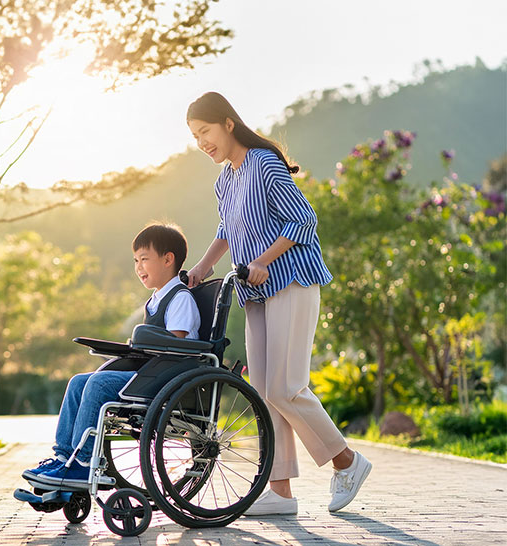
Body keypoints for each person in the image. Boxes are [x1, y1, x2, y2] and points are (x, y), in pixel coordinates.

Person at [185, 91, 371, 515]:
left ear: (228, 123)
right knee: (266, 392)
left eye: (206, 132)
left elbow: (303, 219)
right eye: (196, 137)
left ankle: (347, 462)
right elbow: (226, 230)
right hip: (256, 293)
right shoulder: (225, 179)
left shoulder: (264, 163)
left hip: (292, 280)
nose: (202, 143)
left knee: (288, 387)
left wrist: (263, 261)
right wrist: (200, 268)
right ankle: (281, 492)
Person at [22, 222, 201, 487]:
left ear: (167, 259)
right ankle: (64, 458)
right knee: (78, 382)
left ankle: (83, 463)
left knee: (98, 383)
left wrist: (142, 341)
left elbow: (177, 342)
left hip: (168, 377)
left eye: (144, 259)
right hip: (149, 372)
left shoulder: (180, 298)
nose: (138, 267)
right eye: (135, 261)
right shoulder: (156, 299)